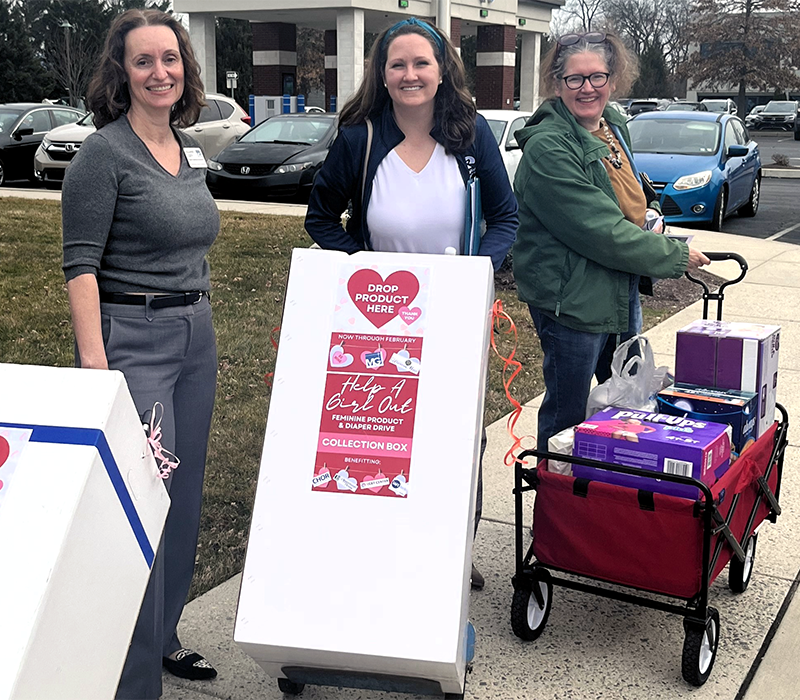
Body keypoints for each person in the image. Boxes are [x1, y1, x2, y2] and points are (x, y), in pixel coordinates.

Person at [305, 16, 518, 590]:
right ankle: (385, 549)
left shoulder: (470, 134)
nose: (409, 74)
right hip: (381, 324)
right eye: (396, 64)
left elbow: (505, 217)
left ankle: (454, 553)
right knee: (387, 443)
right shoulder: (361, 137)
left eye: (421, 62)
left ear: (443, 69)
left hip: (456, 317)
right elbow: (321, 218)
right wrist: (363, 266)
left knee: (454, 439)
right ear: (381, 73)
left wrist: (478, 270)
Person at [61, 9, 218, 699]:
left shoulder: (186, 147)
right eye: (144, 61)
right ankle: (130, 681)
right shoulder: (105, 153)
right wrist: (96, 367)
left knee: (181, 499)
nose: (161, 71)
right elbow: (80, 266)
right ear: (120, 73)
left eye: (170, 59)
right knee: (140, 502)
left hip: (196, 337)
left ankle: (164, 636)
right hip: (134, 342)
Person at [512, 31, 711, 451]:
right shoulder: (549, 148)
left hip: (620, 291)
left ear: (614, 78)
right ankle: (558, 501)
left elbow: (628, 189)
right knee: (567, 414)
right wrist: (675, 255)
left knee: (628, 404)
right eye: (574, 79)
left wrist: (653, 210)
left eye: (597, 77)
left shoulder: (613, 125)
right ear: (555, 83)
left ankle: (606, 498)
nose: (588, 88)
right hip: (573, 302)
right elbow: (601, 231)